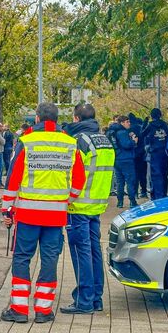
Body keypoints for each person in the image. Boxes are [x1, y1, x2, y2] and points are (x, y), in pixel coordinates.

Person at [0, 103, 85, 324]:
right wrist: (68, 200)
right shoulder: (70, 143)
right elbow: (79, 181)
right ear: (56, 119)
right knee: (49, 260)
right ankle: (43, 310)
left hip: (28, 214)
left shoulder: (26, 142)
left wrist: (7, 208)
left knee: (22, 258)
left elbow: (13, 177)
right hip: (56, 215)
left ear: (37, 118)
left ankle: (19, 308)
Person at [60, 104, 115, 314]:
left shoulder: (79, 141)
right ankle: (96, 298)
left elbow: (72, 172)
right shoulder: (104, 139)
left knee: (80, 252)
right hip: (97, 204)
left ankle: (84, 300)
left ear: (76, 118)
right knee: (94, 250)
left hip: (78, 204)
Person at [142, 108, 168, 200]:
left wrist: (144, 124)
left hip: (155, 153)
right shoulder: (165, 125)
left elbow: (142, 135)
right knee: (164, 173)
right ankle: (164, 194)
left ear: (152, 116)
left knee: (156, 175)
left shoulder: (150, 125)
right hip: (165, 153)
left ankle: (157, 196)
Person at [114, 116, 138, 208]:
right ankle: (132, 201)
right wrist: (134, 141)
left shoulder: (115, 132)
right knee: (130, 181)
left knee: (120, 182)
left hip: (117, 159)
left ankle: (120, 202)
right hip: (126, 159)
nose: (129, 123)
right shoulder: (123, 132)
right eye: (127, 122)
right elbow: (126, 145)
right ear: (122, 123)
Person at [128, 113, 148, 198]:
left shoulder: (128, 130)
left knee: (134, 174)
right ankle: (143, 191)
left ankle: (135, 193)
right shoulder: (140, 128)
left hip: (133, 155)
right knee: (143, 174)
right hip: (142, 154)